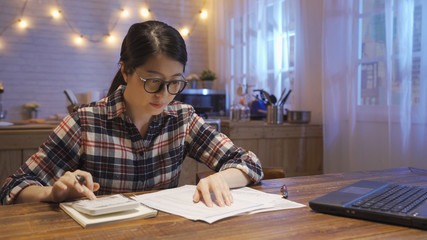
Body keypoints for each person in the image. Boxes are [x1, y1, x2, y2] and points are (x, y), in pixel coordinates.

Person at [0, 20, 263, 207]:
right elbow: (13, 186)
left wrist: (221, 179)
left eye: (174, 82)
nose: (163, 94)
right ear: (126, 71)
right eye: (153, 81)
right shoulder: (85, 123)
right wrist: (51, 194)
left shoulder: (182, 120)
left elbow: (248, 163)